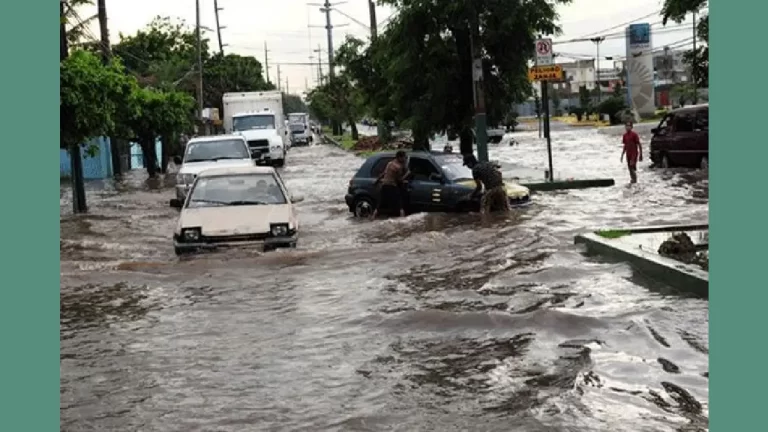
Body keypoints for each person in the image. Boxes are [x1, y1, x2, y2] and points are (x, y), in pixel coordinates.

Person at [371, 150, 409, 220]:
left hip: (384, 185)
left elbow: (383, 173)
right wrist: (407, 173)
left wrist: (376, 181)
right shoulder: (398, 167)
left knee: (380, 203)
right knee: (399, 203)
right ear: (399, 157)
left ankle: (373, 217)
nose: (405, 158)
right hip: (392, 186)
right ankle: (403, 219)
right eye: (404, 157)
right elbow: (399, 180)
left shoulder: (390, 163)